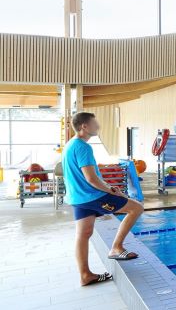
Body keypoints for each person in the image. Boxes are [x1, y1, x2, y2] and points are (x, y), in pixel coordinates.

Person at [63, 112, 144, 287]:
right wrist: (112, 190)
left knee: (83, 234)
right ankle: (117, 247)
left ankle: (85, 275)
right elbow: (91, 179)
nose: (98, 126)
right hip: (91, 195)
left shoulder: (70, 144)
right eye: (95, 123)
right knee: (136, 208)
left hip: (77, 197)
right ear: (84, 126)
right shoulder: (83, 147)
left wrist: (109, 187)